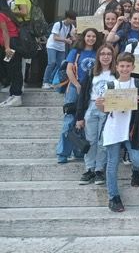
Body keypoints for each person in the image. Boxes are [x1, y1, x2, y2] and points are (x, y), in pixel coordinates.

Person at [96, 53, 139, 213]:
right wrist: (99, 105)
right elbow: (105, 109)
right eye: (122, 66)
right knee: (112, 164)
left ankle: (136, 172)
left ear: (133, 67)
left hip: (131, 129)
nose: (125, 69)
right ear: (117, 67)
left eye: (128, 66)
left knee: (138, 160)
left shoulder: (138, 83)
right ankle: (114, 197)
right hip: (113, 128)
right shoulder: (110, 85)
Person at [75, 44, 117, 186]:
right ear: (98, 56)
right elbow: (82, 95)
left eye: (109, 54)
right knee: (90, 140)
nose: (106, 57)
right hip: (92, 107)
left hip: (108, 108)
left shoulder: (116, 74)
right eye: (103, 54)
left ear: (113, 57)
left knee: (103, 141)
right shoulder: (91, 73)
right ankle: (89, 169)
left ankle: (99, 170)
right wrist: (79, 117)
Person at [56, 28, 99, 163]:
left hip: (90, 90)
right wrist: (77, 85)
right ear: (84, 37)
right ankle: (63, 153)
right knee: (69, 120)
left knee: (84, 120)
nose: (91, 38)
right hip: (75, 88)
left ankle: (79, 149)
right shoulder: (76, 51)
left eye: (93, 36)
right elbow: (69, 70)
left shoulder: (98, 52)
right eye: (88, 36)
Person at [42, 10, 77, 89]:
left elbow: (73, 37)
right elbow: (55, 37)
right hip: (52, 46)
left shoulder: (71, 26)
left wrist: (75, 36)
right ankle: (45, 82)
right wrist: (66, 40)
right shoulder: (58, 24)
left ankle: (51, 81)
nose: (73, 21)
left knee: (60, 64)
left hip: (61, 47)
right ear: (67, 18)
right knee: (52, 63)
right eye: (72, 19)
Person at [0, 5, 22, 107]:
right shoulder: (6, 14)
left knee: (14, 69)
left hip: (11, 45)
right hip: (12, 44)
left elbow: (5, 31)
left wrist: (7, 47)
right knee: (11, 69)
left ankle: (16, 95)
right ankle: (13, 95)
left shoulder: (1, 15)